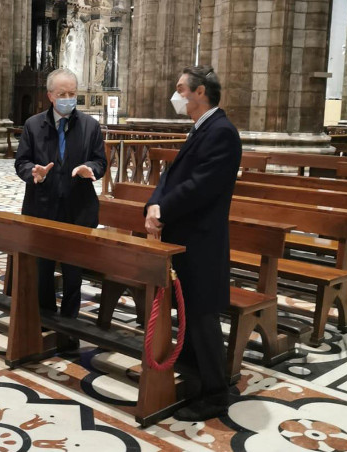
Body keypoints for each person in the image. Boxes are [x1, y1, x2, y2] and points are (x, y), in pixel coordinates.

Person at [144, 65, 241, 422]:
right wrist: (154, 203)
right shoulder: (201, 129)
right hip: (184, 238)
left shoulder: (222, 132)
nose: (177, 94)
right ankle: (197, 378)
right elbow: (170, 176)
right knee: (188, 313)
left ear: (201, 92)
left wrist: (163, 208)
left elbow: (201, 185)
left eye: (182, 88)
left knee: (202, 316)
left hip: (202, 241)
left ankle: (216, 392)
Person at [15, 68, 106, 350]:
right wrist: (34, 173)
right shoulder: (33, 125)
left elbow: (100, 162)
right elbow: (21, 162)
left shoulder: (90, 126)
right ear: (50, 96)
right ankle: (45, 319)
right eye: (62, 94)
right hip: (42, 206)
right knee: (42, 267)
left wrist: (88, 169)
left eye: (72, 94)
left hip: (78, 208)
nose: (68, 99)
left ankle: (69, 325)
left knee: (73, 271)